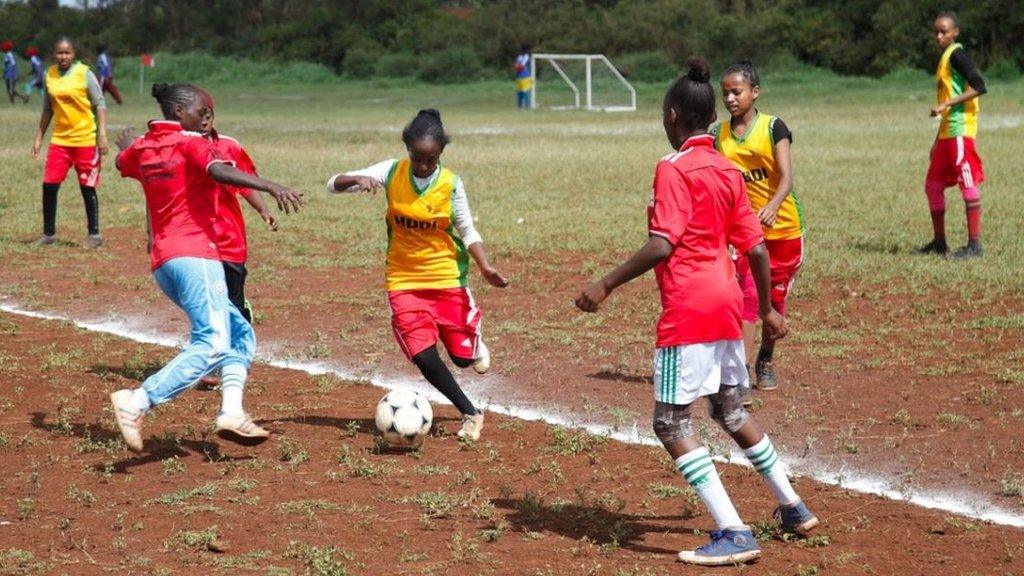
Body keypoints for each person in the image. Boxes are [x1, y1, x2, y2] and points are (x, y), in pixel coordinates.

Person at [574, 58, 817, 566]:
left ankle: (733, 531)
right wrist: (769, 310)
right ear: (709, 116)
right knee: (731, 411)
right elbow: (755, 250)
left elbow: (662, 244)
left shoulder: (672, 167)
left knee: (670, 423)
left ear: (671, 115)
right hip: (729, 302)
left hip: (688, 308)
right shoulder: (729, 168)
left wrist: (605, 285)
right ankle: (792, 507)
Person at [108, 82, 304, 452]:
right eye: (200, 111)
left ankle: (231, 412)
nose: (205, 119)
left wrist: (125, 147)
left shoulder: (143, 146)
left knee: (240, 335)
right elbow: (217, 170)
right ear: (180, 112)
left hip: (165, 263)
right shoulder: (190, 142)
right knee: (212, 343)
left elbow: (122, 161)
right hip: (196, 256)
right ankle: (136, 402)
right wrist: (270, 186)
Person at [326, 109, 508, 441]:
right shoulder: (391, 171)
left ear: (441, 153)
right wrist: (356, 179)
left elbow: (467, 230)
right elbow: (331, 184)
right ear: (408, 149)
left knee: (463, 359)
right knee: (423, 354)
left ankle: (474, 341)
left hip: (446, 277)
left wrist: (485, 266)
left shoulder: (452, 183)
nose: (423, 166)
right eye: (417, 158)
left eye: (431, 160)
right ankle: (470, 412)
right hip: (403, 279)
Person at [712, 60, 801, 395]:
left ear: (755, 92)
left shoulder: (773, 127)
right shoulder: (718, 134)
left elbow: (787, 177)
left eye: (737, 92)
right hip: (745, 233)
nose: (731, 99)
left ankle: (765, 358)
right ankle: (740, 372)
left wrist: (773, 205)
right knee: (747, 297)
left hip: (785, 230)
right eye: (726, 94)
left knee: (774, 302)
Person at [194, 89, 277, 389]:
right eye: (198, 115)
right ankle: (215, 360)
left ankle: (238, 350)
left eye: (208, 115)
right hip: (197, 241)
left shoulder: (229, 146)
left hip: (230, 241)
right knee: (206, 303)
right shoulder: (183, 147)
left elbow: (248, 183)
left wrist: (264, 210)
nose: (203, 121)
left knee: (232, 302)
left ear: (213, 116)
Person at [918, 11, 987, 259]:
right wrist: (936, 141)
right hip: (947, 131)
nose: (939, 36)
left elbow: (980, 86)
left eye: (944, 31)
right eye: (936, 31)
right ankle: (939, 243)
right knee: (933, 184)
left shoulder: (957, 54)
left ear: (955, 32)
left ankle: (975, 245)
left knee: (966, 180)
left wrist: (946, 105)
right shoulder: (946, 57)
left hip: (960, 128)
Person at [31, 37, 108, 248]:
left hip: (85, 139)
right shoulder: (50, 75)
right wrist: (39, 137)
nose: (63, 56)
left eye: (67, 53)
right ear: (54, 54)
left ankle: (94, 235)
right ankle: (48, 234)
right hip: (60, 140)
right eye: (59, 53)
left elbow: (100, 104)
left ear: (73, 53)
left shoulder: (85, 73)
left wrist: (101, 134)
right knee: (49, 185)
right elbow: (48, 109)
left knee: (87, 186)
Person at [513, 45, 532, 109]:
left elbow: (521, 66)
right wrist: (517, 66)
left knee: (525, 92)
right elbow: (516, 66)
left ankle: (527, 106)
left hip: (525, 77)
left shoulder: (527, 57)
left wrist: (517, 66)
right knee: (519, 92)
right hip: (519, 77)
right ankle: (519, 106)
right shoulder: (519, 57)